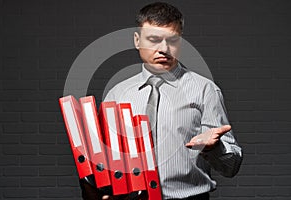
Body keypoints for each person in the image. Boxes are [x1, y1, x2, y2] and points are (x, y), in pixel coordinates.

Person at [80, 2, 242, 200]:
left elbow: (231, 167)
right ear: (137, 40)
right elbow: (105, 160)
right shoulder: (117, 93)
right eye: (154, 40)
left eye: (172, 40)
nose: (164, 49)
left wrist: (213, 148)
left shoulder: (205, 90)